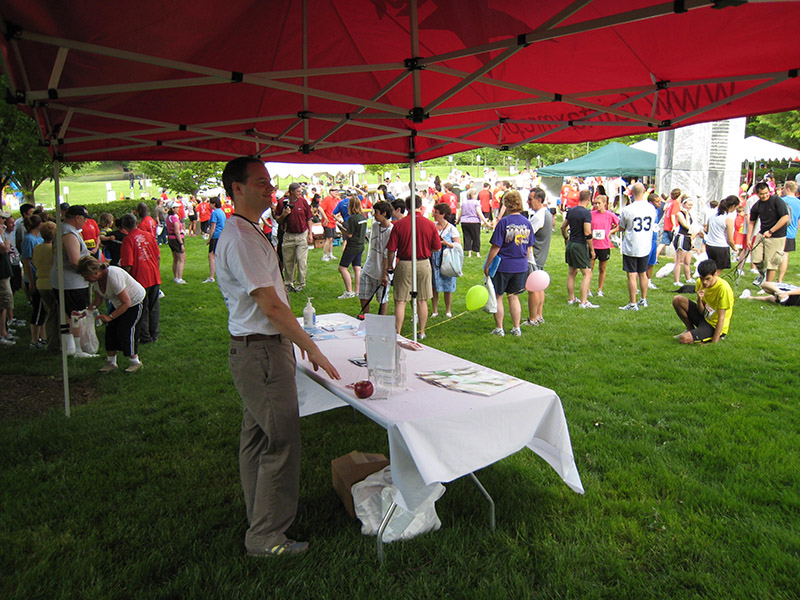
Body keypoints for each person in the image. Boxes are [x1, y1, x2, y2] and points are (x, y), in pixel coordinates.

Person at [216, 157, 340, 557]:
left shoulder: (248, 231)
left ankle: (259, 516)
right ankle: (266, 537)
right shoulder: (241, 237)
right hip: (262, 351)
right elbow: (270, 305)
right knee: (281, 439)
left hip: (259, 349)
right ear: (237, 188)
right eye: (260, 182)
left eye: (270, 182)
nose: (270, 189)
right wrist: (311, 346)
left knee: (257, 435)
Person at [382, 194, 441, 339]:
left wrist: (389, 265)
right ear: (420, 206)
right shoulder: (429, 224)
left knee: (400, 301)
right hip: (423, 263)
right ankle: (421, 332)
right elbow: (437, 247)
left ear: (406, 207)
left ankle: (398, 333)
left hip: (404, 263)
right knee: (422, 299)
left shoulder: (399, 225)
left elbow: (391, 249)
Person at [77, 255, 145, 372]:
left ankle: (135, 362)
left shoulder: (113, 276)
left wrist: (110, 317)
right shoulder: (96, 281)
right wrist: (86, 312)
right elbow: (97, 300)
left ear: (95, 272)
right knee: (110, 330)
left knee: (126, 330)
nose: (85, 280)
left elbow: (127, 302)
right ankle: (111, 362)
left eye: (86, 276)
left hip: (134, 301)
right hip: (119, 303)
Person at [484, 191, 533, 337]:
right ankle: (516, 327)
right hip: (520, 265)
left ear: (506, 204)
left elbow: (496, 247)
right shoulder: (527, 222)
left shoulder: (504, 223)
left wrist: (487, 265)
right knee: (513, 296)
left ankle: (499, 328)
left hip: (503, 265)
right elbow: (529, 249)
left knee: (498, 296)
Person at [50, 205, 95, 356]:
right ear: (77, 218)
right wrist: (91, 269)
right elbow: (75, 260)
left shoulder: (62, 230)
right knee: (77, 314)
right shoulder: (68, 233)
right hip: (72, 283)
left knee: (69, 314)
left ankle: (69, 346)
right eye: (84, 219)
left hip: (64, 281)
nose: (84, 222)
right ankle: (77, 347)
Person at [120, 213, 161, 345]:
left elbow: (127, 264)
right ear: (136, 222)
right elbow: (158, 256)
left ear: (124, 226)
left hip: (139, 279)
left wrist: (124, 282)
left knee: (142, 309)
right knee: (153, 306)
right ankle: (154, 334)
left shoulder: (128, 239)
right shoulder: (148, 235)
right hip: (154, 276)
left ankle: (146, 336)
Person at [672, 258, 733, 344]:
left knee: (683, 339)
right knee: (677, 299)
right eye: (702, 278)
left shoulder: (723, 288)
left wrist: (714, 342)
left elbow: (721, 318)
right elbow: (702, 311)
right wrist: (699, 300)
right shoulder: (699, 283)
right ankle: (690, 330)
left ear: (715, 274)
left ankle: (714, 337)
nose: (704, 282)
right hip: (705, 317)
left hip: (714, 325)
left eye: (707, 279)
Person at [618, 182, 657, 311]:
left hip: (631, 245)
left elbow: (622, 227)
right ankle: (643, 299)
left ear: (632, 193)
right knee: (643, 273)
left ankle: (633, 302)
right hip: (645, 244)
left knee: (631, 274)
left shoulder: (628, 209)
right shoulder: (651, 208)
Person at [561, 190, 597, 309]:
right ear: (589, 199)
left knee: (572, 272)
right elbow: (587, 232)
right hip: (580, 244)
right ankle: (584, 302)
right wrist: (591, 249)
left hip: (571, 243)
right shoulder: (586, 213)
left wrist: (566, 237)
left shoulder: (571, 211)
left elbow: (563, 226)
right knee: (587, 273)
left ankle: (571, 298)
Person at [275, 182, 314, 292]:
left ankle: (301, 283)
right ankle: (288, 283)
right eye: (298, 191)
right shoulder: (283, 202)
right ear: (291, 191)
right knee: (288, 261)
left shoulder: (303, 202)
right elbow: (277, 219)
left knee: (301, 260)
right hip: (288, 235)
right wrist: (284, 214)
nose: (300, 193)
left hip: (302, 235)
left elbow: (309, 218)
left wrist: (310, 234)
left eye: (301, 191)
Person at [748, 181, 789, 285]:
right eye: (761, 194)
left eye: (766, 193)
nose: (764, 195)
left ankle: (768, 286)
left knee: (771, 263)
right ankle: (762, 274)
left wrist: (771, 231)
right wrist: (749, 238)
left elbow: (785, 217)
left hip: (777, 235)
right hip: (762, 233)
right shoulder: (757, 206)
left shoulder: (776, 201)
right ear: (757, 194)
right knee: (756, 258)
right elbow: (751, 222)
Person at [523, 187, 552, 327]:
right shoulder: (546, 214)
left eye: (530, 199)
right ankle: (539, 315)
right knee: (540, 287)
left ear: (538, 200)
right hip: (541, 256)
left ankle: (533, 319)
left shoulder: (539, 217)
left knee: (533, 288)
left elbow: (526, 236)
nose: (528, 202)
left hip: (533, 257)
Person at [358, 201, 393, 316]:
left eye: (376, 212)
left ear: (384, 213)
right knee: (363, 294)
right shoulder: (374, 226)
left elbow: (387, 255)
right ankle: (365, 317)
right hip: (369, 267)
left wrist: (384, 274)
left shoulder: (391, 230)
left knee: (382, 298)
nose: (373, 215)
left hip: (383, 270)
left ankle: (381, 321)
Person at [431, 203, 461, 318]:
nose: (434, 214)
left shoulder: (452, 228)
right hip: (434, 260)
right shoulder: (433, 226)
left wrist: (447, 243)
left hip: (447, 260)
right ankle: (435, 310)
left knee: (448, 285)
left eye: (436, 212)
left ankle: (448, 310)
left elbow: (458, 246)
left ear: (443, 214)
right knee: (434, 285)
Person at [32, 221, 58, 351]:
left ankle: (51, 342)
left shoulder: (37, 248)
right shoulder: (54, 249)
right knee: (58, 314)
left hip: (41, 283)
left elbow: (35, 263)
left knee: (50, 314)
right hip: (52, 283)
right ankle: (57, 343)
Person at [335, 194, 367, 299]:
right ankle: (357, 291)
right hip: (361, 244)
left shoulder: (352, 218)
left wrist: (341, 228)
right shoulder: (363, 217)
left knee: (342, 268)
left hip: (352, 245)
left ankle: (349, 291)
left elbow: (349, 234)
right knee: (357, 268)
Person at [21, 214, 46, 348]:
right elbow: (26, 261)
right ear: (39, 225)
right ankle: (34, 340)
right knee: (38, 309)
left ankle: (43, 337)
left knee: (42, 310)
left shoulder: (38, 238)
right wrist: (30, 281)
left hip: (39, 277)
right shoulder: (29, 240)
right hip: (34, 279)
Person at [589, 194, 619, 298]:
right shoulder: (591, 214)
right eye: (595, 203)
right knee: (590, 268)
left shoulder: (609, 215)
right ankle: (587, 289)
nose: (597, 205)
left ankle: (600, 289)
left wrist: (611, 231)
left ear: (604, 204)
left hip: (604, 245)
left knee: (602, 268)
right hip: (593, 245)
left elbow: (621, 225)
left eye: (599, 203)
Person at [704, 195, 738, 276]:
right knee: (717, 272)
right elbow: (730, 239)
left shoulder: (712, 216)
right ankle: (711, 287)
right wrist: (735, 248)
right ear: (733, 206)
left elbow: (706, 230)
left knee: (711, 270)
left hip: (710, 245)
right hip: (720, 247)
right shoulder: (728, 218)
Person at [777, 181, 800, 283]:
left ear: (788, 189)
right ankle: (780, 279)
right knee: (785, 255)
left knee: (774, 254)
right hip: (791, 233)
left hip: (779, 231)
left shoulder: (781, 201)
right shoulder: (799, 203)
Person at [457, 188, 490, 258]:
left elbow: (461, 213)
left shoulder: (464, 203)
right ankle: (477, 252)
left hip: (464, 221)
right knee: (476, 237)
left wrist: (458, 221)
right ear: (473, 195)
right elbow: (479, 213)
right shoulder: (476, 203)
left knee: (467, 237)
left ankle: (469, 253)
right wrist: (486, 222)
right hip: (474, 221)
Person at [672, 198, 696, 286]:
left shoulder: (688, 214)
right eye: (688, 205)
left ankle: (688, 278)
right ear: (683, 204)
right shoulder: (680, 214)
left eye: (691, 205)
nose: (690, 207)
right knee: (680, 261)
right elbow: (686, 226)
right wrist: (686, 215)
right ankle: (676, 281)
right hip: (682, 237)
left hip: (688, 238)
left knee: (687, 261)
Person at [655, 188, 682, 262]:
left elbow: (664, 208)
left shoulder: (670, 202)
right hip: (672, 226)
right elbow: (673, 214)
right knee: (677, 244)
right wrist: (674, 225)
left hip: (666, 225)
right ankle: (678, 261)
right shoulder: (675, 203)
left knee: (662, 243)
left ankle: (655, 258)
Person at [205, 197, 227, 284]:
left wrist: (209, 239)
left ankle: (211, 277)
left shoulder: (214, 213)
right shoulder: (222, 212)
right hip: (222, 235)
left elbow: (213, 227)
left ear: (213, 204)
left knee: (211, 256)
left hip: (215, 236)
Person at [167, 204, 187, 284]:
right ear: (173, 208)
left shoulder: (168, 218)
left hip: (171, 239)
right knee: (182, 259)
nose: (178, 209)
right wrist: (181, 243)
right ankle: (179, 278)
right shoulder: (174, 218)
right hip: (176, 239)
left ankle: (176, 276)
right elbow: (177, 231)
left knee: (175, 259)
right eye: (177, 207)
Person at [319, 188, 340, 261]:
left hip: (333, 221)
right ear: (330, 192)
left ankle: (330, 254)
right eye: (335, 191)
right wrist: (325, 218)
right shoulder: (327, 199)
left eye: (337, 191)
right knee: (328, 239)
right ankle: (324, 256)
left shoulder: (335, 200)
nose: (336, 193)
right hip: (328, 222)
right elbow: (320, 208)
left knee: (332, 239)